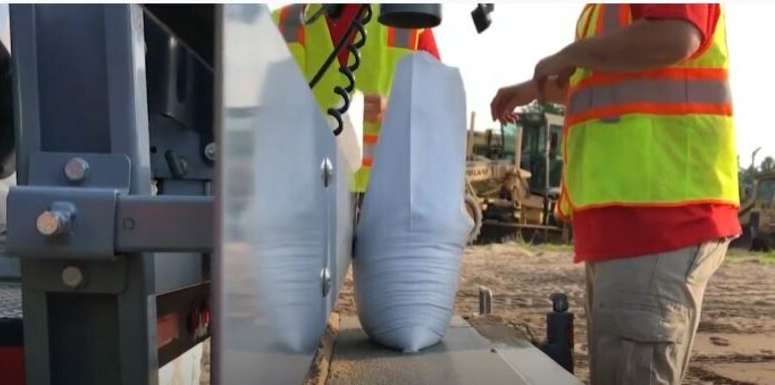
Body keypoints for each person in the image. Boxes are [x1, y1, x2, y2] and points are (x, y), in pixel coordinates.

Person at [491, 4, 739, 384]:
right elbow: (603, 76)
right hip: (632, 225)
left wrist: (569, 54)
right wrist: (532, 89)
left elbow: (675, 35)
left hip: (657, 221)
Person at [272, 4, 440, 203]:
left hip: (383, 200)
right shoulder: (284, 22)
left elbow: (439, 107)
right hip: (307, 193)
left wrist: (393, 110)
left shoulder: (409, 18)